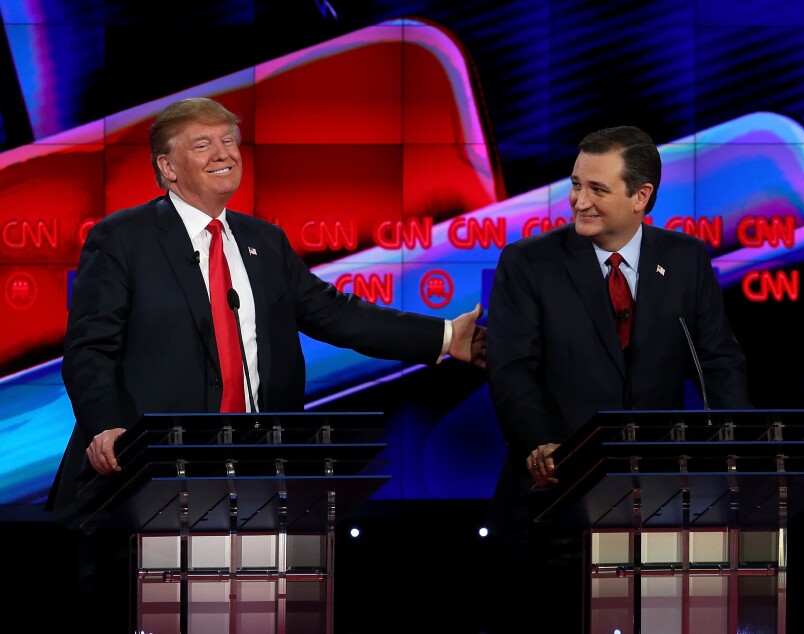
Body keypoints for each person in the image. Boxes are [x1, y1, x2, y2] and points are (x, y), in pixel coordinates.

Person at [46, 96, 487, 633]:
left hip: (258, 477)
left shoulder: (263, 241)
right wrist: (107, 425)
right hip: (151, 478)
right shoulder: (122, 239)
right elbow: (90, 347)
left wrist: (443, 336)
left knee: (253, 619)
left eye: (229, 140)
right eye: (202, 144)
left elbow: (334, 314)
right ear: (167, 166)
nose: (223, 153)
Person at [485, 125, 751, 632]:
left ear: (640, 197)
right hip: (557, 496)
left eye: (597, 189)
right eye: (575, 184)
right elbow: (511, 370)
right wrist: (539, 442)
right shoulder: (528, 264)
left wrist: (742, 452)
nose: (578, 201)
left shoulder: (686, 260)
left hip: (659, 499)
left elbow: (718, 362)